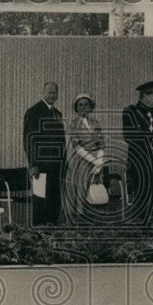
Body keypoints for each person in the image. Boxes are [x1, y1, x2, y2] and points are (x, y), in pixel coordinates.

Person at [122, 80, 153, 223]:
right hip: (141, 161)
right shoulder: (130, 111)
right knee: (142, 195)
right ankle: (142, 228)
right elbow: (130, 137)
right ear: (144, 95)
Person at [22, 81, 67, 226]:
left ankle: (52, 233)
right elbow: (29, 140)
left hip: (56, 166)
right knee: (41, 201)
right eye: (49, 92)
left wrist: (64, 163)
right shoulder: (34, 111)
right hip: (40, 166)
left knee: (54, 201)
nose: (52, 95)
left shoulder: (57, 114)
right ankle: (39, 237)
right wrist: (33, 164)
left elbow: (62, 141)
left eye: (55, 92)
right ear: (43, 92)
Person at [63, 92, 107, 225]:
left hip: (96, 163)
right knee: (79, 191)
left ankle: (92, 223)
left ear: (91, 106)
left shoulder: (95, 123)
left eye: (86, 104)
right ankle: (77, 221)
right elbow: (77, 147)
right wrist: (93, 161)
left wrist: (99, 162)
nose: (83, 107)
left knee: (94, 191)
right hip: (80, 161)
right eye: (80, 105)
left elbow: (101, 144)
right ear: (76, 107)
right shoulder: (73, 123)